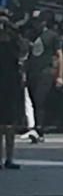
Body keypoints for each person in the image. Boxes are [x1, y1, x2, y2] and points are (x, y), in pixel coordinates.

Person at [24, 12, 63, 142]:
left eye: (38, 22)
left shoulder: (52, 36)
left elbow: (59, 55)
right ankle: (35, 127)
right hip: (32, 72)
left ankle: (39, 129)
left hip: (45, 71)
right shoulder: (32, 35)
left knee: (40, 100)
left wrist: (60, 75)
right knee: (34, 101)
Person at [0, 13, 23, 169]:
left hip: (10, 86)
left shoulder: (13, 44)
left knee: (9, 125)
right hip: (6, 85)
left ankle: (9, 158)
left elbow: (22, 52)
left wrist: (12, 30)